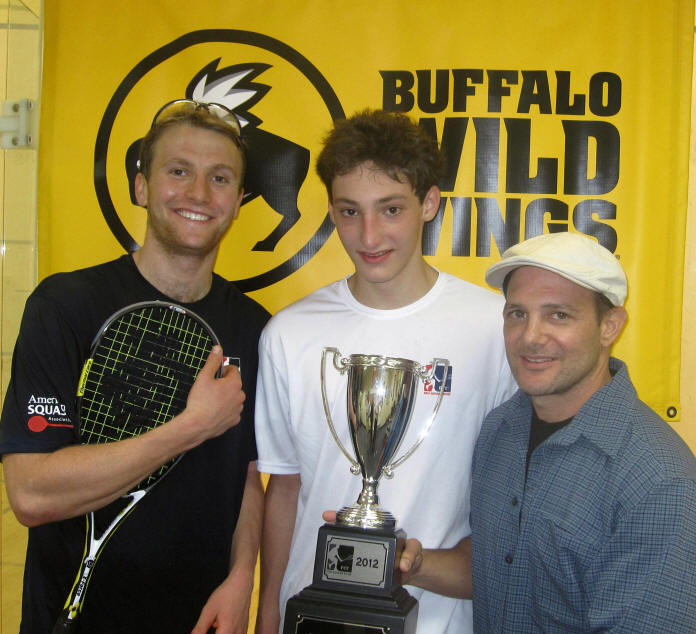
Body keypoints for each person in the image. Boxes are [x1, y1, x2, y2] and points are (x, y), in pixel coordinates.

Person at [0, 100, 270, 633]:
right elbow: (30, 493)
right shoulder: (65, 306)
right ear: (141, 187)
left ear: (238, 201)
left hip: (201, 620)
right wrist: (191, 427)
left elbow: (246, 476)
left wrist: (241, 577)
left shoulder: (256, 328)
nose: (199, 193)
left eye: (220, 178)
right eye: (179, 171)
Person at [253, 109, 516, 634]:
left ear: (430, 203)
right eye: (350, 211)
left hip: (436, 617)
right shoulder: (288, 333)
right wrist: (267, 614)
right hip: (311, 615)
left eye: (390, 209)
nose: (368, 235)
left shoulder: (494, 327)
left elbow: (509, 498)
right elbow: (284, 488)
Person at [398, 232, 696, 632]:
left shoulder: (657, 480)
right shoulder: (501, 430)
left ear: (610, 326)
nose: (530, 337)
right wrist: (408, 563)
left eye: (558, 315)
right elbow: (501, 563)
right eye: (517, 313)